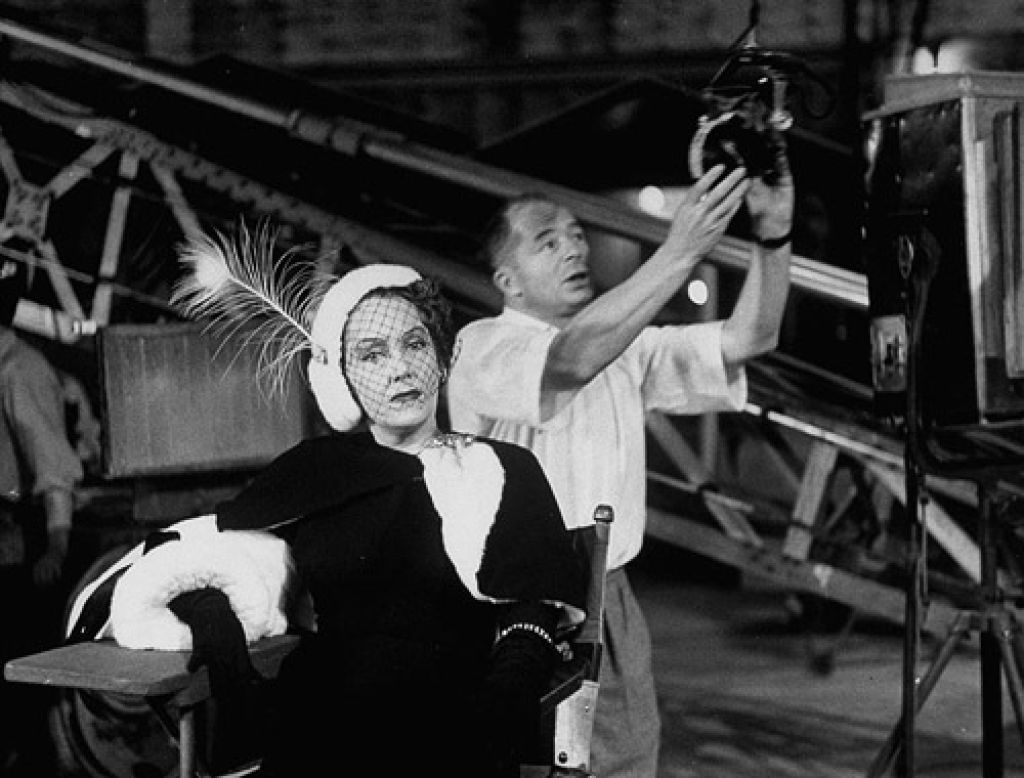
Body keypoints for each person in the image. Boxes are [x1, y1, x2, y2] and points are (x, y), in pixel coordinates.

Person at [70, 236, 588, 777]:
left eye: (414, 345)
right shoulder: (316, 469)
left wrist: (500, 707)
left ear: (440, 359)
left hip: (452, 718)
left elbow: (532, 614)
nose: (399, 369)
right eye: (372, 355)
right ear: (344, 379)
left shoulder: (500, 468)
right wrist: (211, 613)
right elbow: (224, 555)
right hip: (322, 714)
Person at [446, 145, 794, 777]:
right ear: (508, 281)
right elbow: (570, 361)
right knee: (534, 764)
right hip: (520, 600)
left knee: (626, 760)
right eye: (547, 241)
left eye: (577, 235)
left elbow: (751, 337)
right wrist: (679, 251)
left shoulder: (624, 348)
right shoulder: (482, 346)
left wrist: (773, 235)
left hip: (610, 591)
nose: (573, 249)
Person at [0, 256, 86, 776]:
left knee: (19, 691)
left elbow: (53, 468)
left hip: (14, 552)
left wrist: (56, 544)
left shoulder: (21, 370)